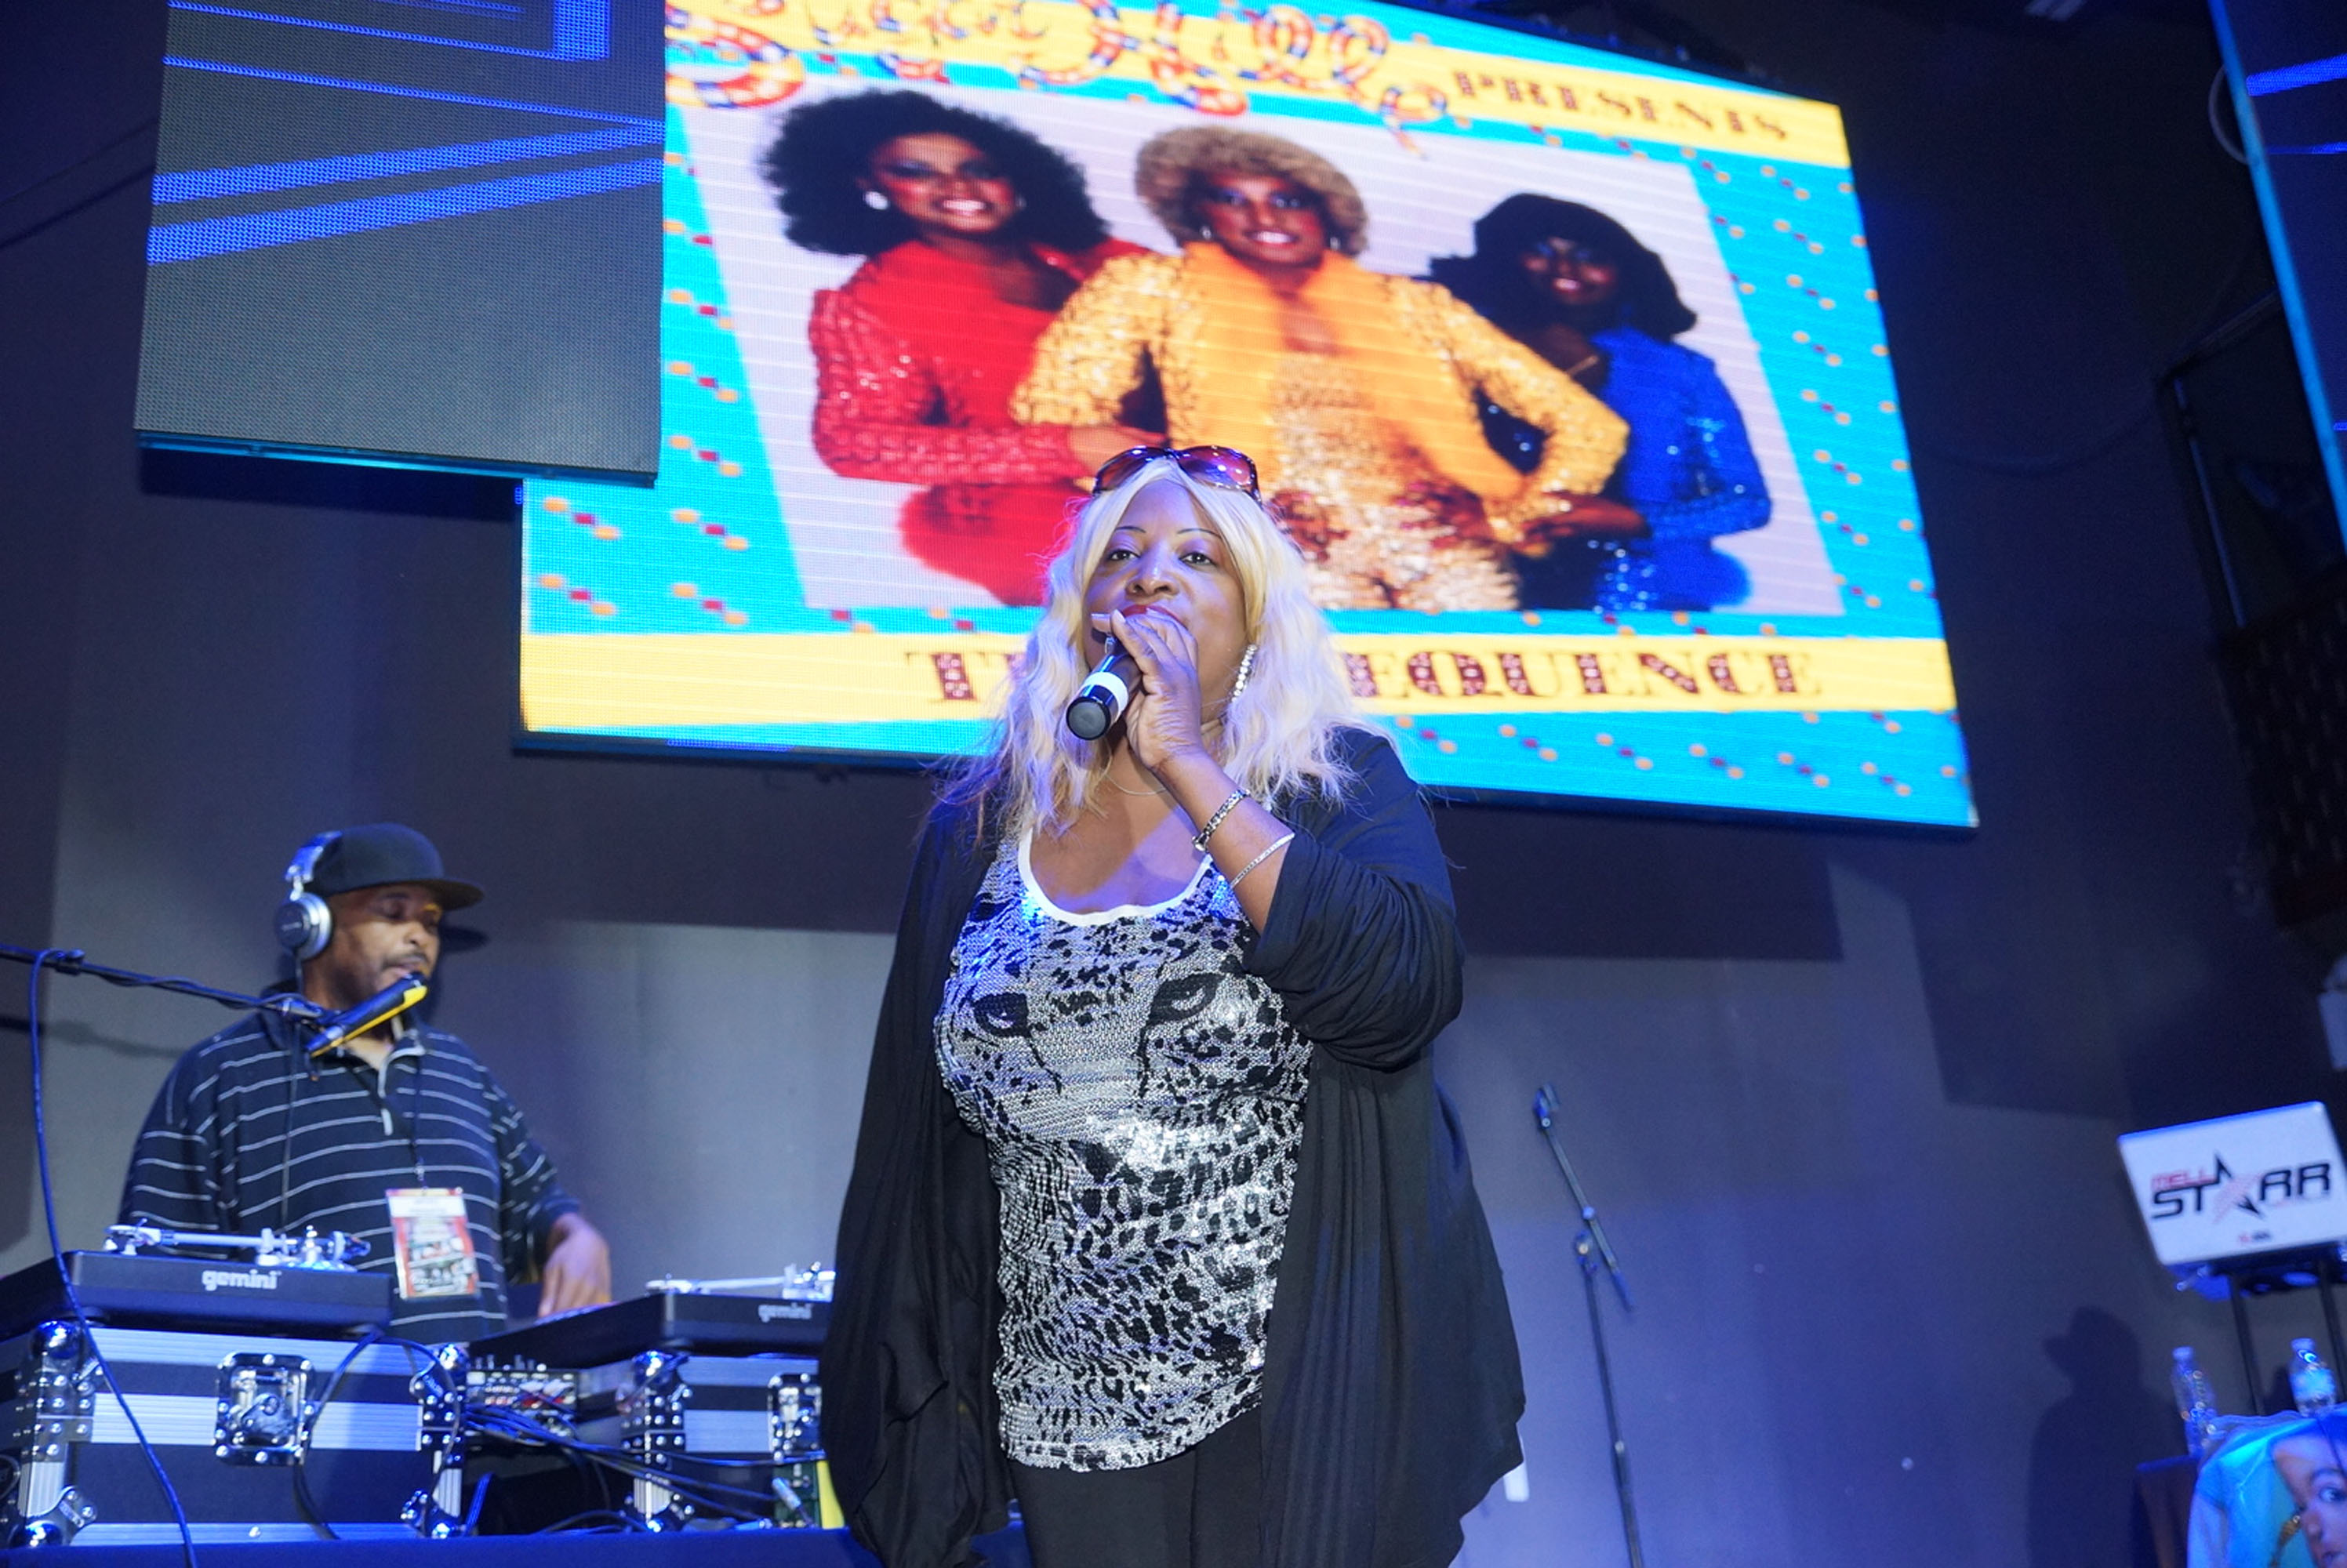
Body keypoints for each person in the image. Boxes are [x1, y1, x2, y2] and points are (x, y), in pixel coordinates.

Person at [819, 447, 1523, 1568]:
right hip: (1062, 1403)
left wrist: (1190, 762)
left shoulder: (1333, 788)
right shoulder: (979, 830)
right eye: (1121, 556)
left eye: (1196, 558)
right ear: (1081, 609)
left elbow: (1399, 991)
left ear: (1255, 620)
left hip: (1290, 1392)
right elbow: (914, 1123)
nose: (1149, 576)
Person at [1012, 127, 1626, 613]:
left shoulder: (1415, 304)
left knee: (1476, 709)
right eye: (1231, 200)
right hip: (1274, 546)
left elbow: (1588, 424)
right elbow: (1060, 417)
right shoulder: (1148, 285)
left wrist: (1510, 515)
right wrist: (1209, 509)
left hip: (1446, 548)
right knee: (1314, 719)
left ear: (1329, 212)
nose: (1263, 220)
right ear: (1196, 215)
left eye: (1287, 200)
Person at [120, 823, 609, 1342]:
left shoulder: (459, 1069)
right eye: (394, 914)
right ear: (312, 925)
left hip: (462, 1394)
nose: (419, 937)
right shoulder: (221, 1075)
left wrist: (575, 1238)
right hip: (314, 1394)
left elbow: (535, 1209)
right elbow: (157, 1273)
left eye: (431, 922)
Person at [766, 89, 1158, 605]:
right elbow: (854, 443)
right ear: (868, 185)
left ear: (1016, 177)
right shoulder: (877, 299)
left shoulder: (1109, 263)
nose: (957, 186)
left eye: (979, 169)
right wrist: (1064, 449)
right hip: (1032, 531)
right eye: (915, 171)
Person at [1428, 194, 1771, 611]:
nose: (1563, 269)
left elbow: (1746, 501)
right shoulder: (1467, 350)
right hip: (1506, 587)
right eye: (1541, 252)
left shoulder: (1682, 373)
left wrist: (1633, 520)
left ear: (1628, 272)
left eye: (1590, 257)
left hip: (1649, 599)